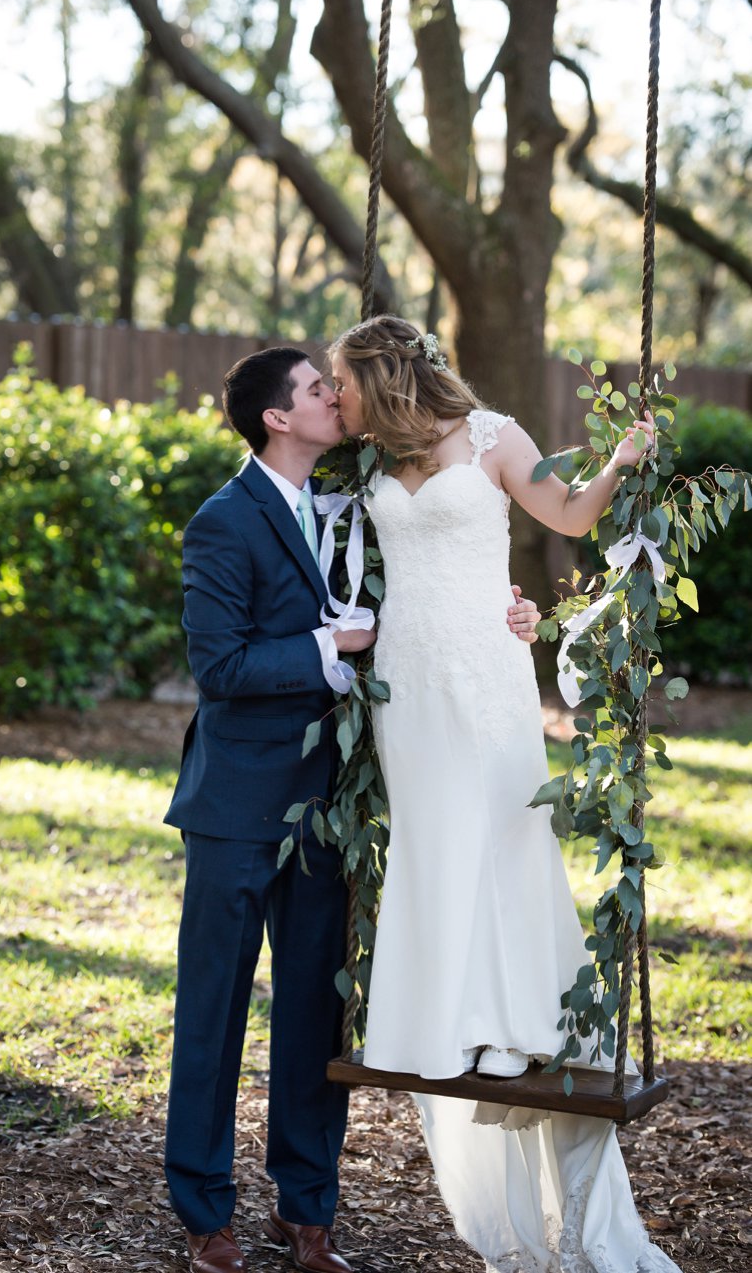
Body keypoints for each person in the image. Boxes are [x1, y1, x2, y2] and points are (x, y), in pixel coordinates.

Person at [162, 344, 541, 1273]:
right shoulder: (223, 521)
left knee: (308, 1016)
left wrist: (508, 612)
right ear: (276, 419)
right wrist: (330, 646)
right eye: (315, 389)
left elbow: (434, 581)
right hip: (237, 803)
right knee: (212, 1009)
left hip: (330, 803)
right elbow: (220, 668)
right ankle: (207, 1209)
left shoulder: (358, 485)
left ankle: (309, 1209)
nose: (336, 395)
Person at [328, 314, 681, 1273]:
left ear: (385, 374)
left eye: (344, 382)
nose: (337, 397)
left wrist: (623, 457)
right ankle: (438, 1020)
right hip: (406, 680)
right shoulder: (363, 460)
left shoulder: (492, 435)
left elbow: (569, 516)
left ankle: (504, 1026)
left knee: (497, 834)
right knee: (434, 841)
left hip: (483, 674)